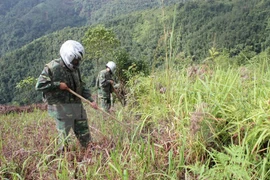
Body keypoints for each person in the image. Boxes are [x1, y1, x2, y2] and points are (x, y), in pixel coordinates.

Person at [35, 40, 98, 152]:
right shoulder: (52, 68)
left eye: (78, 60)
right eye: (75, 60)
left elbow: (81, 86)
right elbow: (39, 85)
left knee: (84, 131)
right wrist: (58, 85)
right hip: (61, 108)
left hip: (76, 106)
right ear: (67, 56)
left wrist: (91, 100)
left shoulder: (75, 69)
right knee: (64, 137)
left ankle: (90, 151)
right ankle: (63, 158)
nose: (77, 63)